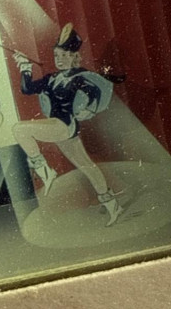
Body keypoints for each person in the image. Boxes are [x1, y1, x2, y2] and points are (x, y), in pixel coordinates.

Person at [12, 23, 122, 225]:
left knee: (19, 129)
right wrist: (25, 68)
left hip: (64, 126)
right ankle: (112, 204)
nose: (60, 59)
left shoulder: (79, 77)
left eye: (64, 55)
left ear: (74, 57)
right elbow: (27, 89)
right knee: (87, 166)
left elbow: (96, 92)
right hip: (59, 127)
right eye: (57, 56)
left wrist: (89, 110)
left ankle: (45, 170)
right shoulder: (51, 78)